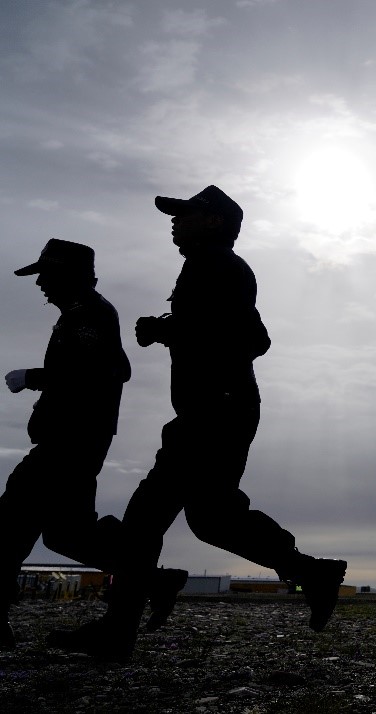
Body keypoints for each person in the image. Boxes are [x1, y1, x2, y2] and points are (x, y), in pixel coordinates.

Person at [49, 186, 347, 662]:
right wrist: (172, 328)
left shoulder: (219, 265)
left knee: (147, 518)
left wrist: (167, 329)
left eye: (185, 213)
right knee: (211, 519)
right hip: (214, 410)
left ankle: (117, 632)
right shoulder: (210, 266)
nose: (175, 221)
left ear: (213, 221)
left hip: (215, 411)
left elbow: (252, 339)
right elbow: (234, 331)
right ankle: (312, 572)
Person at [0, 240, 185, 649]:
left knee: (11, 522)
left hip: (70, 441)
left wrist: (34, 377)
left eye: (46, 276)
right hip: (75, 440)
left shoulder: (90, 315)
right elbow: (113, 367)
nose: (40, 285)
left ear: (67, 276)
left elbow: (108, 370)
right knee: (64, 534)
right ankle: (153, 579)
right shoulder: (84, 314)